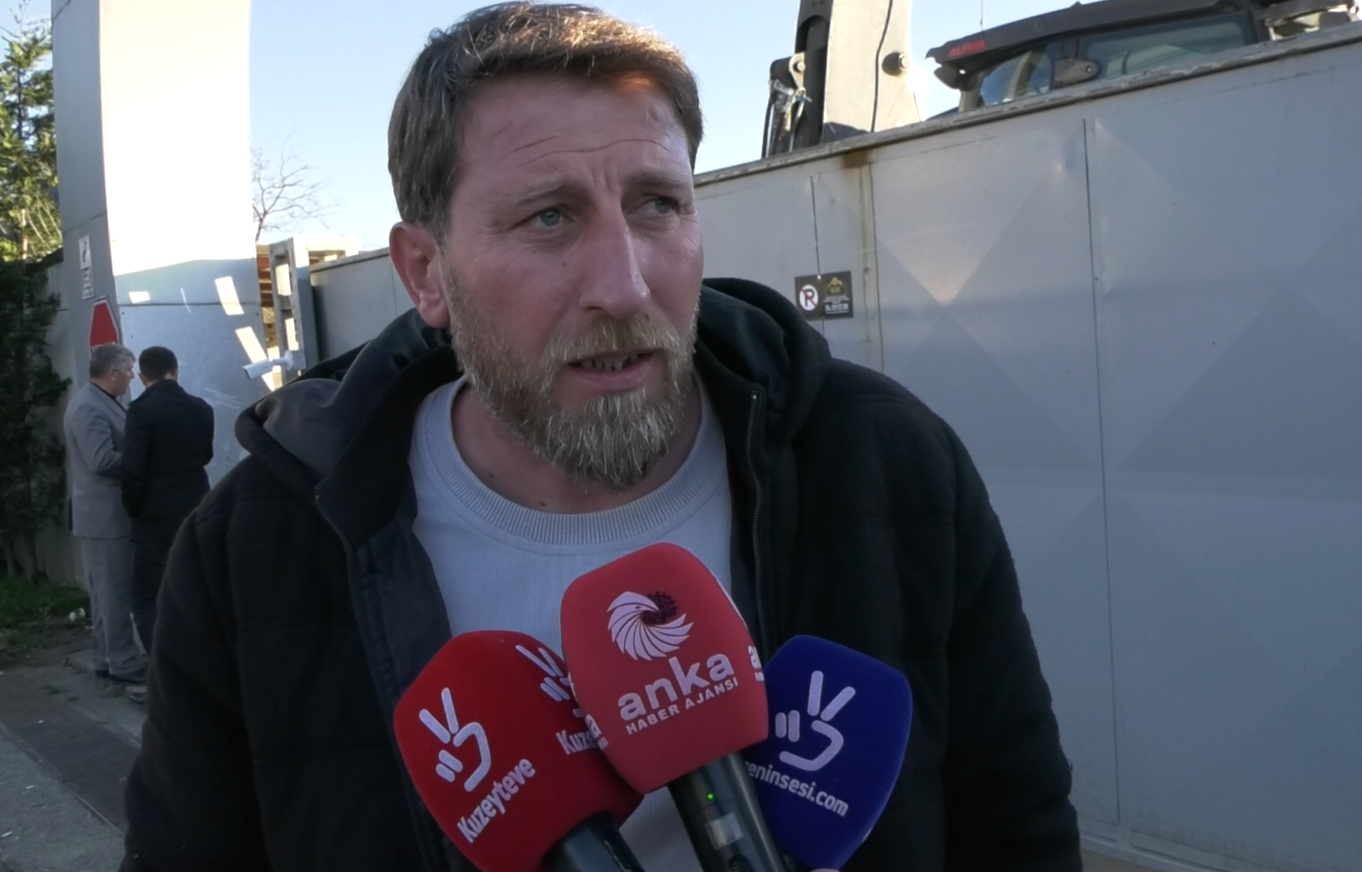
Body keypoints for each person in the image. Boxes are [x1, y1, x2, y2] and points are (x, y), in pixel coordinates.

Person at [121, 4, 1080, 871]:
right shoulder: (257, 549)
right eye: (548, 217)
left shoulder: (886, 465)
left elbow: (1018, 829)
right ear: (426, 273)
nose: (624, 285)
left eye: (658, 204)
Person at [120, 346, 214, 654]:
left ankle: (162, 667)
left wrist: (134, 508)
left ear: (143, 377)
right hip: (195, 505)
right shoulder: (201, 408)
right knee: (195, 588)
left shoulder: (140, 411)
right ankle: (201, 659)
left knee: (148, 598)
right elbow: (206, 455)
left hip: (155, 513)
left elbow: (132, 468)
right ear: (175, 371)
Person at [63, 343, 144, 687]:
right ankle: (123, 661)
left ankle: (105, 657)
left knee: (104, 593)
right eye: (128, 371)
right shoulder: (89, 407)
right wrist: (142, 457)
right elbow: (101, 460)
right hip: (104, 515)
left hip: (101, 513)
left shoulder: (97, 401)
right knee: (114, 593)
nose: (131, 377)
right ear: (112, 373)